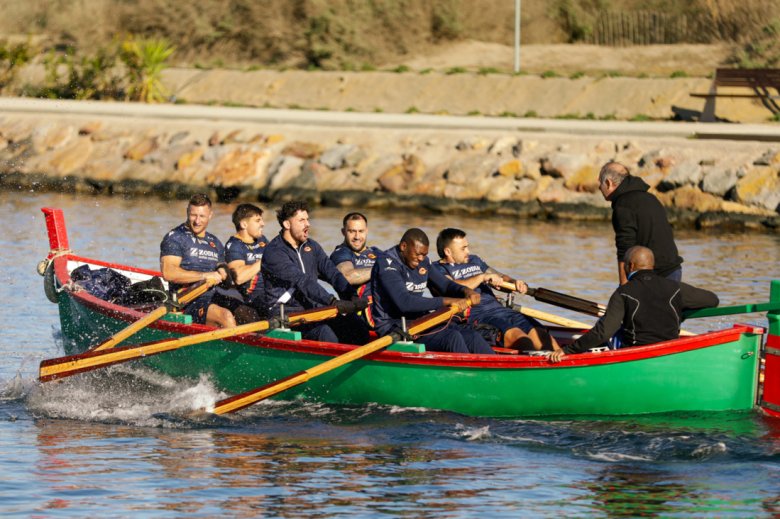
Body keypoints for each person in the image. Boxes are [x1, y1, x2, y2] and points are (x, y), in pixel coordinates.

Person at [549, 246, 718, 363]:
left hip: (636, 354)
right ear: (651, 265)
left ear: (630, 266)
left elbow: (603, 332)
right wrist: (679, 308)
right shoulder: (675, 288)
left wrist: (568, 350)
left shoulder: (623, 292)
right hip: (669, 351)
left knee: (611, 331)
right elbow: (712, 300)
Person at [433, 228, 562, 353]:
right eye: (463, 248)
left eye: (467, 246)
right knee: (522, 339)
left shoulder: (474, 260)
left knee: (541, 335)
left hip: (501, 310)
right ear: (448, 252)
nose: (468, 251)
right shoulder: (437, 269)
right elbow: (452, 286)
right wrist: (482, 277)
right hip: (478, 317)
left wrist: (514, 282)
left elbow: (499, 276)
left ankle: (561, 361)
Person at [369, 228, 495, 355]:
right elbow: (404, 302)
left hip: (419, 320)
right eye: (418, 254)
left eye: (424, 255)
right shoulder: (386, 264)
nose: (420, 259)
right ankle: (467, 374)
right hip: (393, 326)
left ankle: (496, 371)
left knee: (472, 336)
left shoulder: (423, 260)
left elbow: (445, 285)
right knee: (452, 338)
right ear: (403, 246)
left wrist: (466, 291)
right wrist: (448, 301)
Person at [261, 200, 368, 344]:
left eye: (308, 219)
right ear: (287, 224)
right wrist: (333, 301)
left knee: (356, 325)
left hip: (314, 310)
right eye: (301, 220)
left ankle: (365, 363)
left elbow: (333, 274)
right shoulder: (274, 252)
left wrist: (351, 295)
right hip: (287, 315)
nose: (308, 224)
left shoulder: (312, 247)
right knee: (325, 333)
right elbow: (302, 281)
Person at [599, 161, 683, 285]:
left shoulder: (623, 205)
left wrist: (624, 286)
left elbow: (624, 246)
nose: (599, 187)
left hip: (655, 276)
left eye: (600, 183)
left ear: (608, 183)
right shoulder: (650, 198)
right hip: (674, 269)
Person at [160, 193, 236, 328]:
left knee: (245, 312)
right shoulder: (175, 237)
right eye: (193, 215)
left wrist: (223, 271)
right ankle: (235, 349)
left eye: (202, 216)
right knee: (226, 317)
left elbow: (223, 269)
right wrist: (204, 276)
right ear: (187, 212)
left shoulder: (214, 242)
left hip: (213, 298)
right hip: (186, 302)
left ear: (210, 215)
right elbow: (169, 273)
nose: (197, 221)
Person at [225, 203, 269, 322]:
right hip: (252, 300)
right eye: (258, 220)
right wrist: (264, 260)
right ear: (244, 224)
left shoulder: (262, 240)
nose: (263, 224)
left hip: (270, 293)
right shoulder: (234, 245)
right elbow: (238, 277)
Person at [330, 212, 382, 301]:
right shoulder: (340, 253)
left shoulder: (376, 252)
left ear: (366, 231)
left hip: (384, 309)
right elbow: (347, 276)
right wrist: (380, 269)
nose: (357, 237)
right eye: (352, 231)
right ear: (343, 232)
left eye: (361, 231)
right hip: (359, 310)